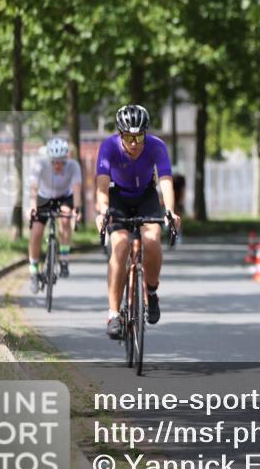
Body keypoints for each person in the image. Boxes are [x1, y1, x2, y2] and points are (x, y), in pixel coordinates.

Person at [95, 105, 181, 340]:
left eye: (139, 136)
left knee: (152, 240)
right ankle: (113, 314)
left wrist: (170, 211)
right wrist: (103, 211)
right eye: (129, 137)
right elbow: (102, 185)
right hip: (118, 196)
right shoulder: (109, 147)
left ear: (145, 134)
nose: (134, 143)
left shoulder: (156, 146)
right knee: (120, 245)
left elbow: (165, 180)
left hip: (146, 196)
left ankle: (151, 292)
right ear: (120, 134)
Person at [27, 137, 82, 292]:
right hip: (44, 197)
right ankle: (33, 271)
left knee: (65, 220)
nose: (58, 165)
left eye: (61, 162)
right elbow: (33, 187)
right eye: (54, 162)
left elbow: (77, 189)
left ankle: (64, 259)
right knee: (36, 232)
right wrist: (32, 206)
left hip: (64, 196)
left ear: (66, 159)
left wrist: (77, 209)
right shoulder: (40, 165)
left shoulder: (73, 165)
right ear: (49, 159)